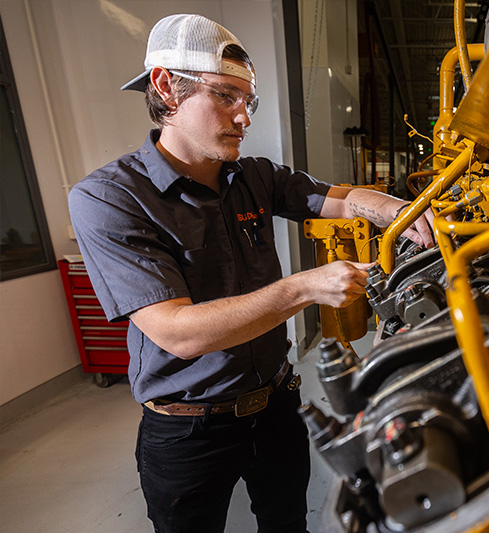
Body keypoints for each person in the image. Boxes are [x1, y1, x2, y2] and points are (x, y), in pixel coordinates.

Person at [68, 13, 433, 533]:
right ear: (166, 87)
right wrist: (307, 286)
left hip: (276, 408)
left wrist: (399, 209)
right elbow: (179, 333)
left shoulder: (254, 176)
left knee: (287, 524)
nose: (244, 117)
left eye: (249, 101)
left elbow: (342, 197)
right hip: (188, 433)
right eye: (225, 96)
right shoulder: (110, 198)